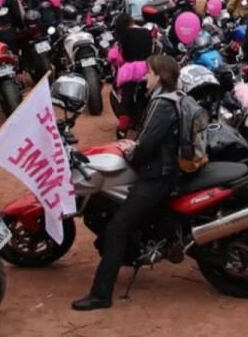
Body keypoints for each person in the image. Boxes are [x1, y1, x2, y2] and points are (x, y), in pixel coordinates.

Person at [73, 55, 181, 311]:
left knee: (117, 229)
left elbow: (146, 146)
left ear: (161, 76)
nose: (146, 77)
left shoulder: (162, 103)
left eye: (150, 73)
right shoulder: (177, 97)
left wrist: (131, 151)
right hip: (169, 171)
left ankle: (101, 295)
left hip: (157, 176)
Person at [112, 13, 154, 139]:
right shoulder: (147, 32)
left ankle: (122, 131)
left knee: (127, 99)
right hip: (147, 68)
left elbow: (121, 55)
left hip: (130, 70)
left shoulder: (124, 34)